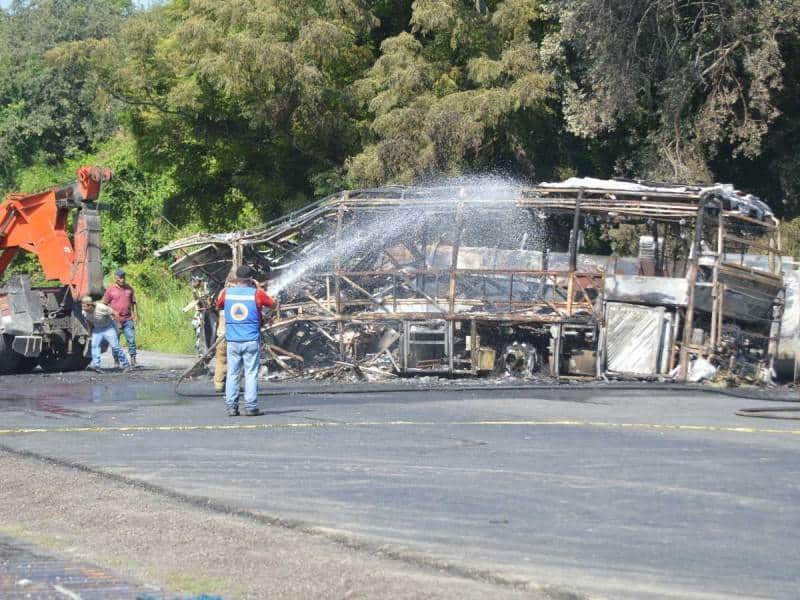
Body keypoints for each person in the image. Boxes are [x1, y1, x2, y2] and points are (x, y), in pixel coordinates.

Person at [215, 265, 275, 416]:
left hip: (233, 340)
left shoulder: (227, 293)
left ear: (236, 278)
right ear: (250, 279)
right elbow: (273, 304)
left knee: (233, 374)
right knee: (250, 373)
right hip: (251, 340)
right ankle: (251, 407)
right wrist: (258, 287)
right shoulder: (257, 294)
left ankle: (231, 407)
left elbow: (218, 305)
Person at [81, 296, 130, 373]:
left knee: (115, 347)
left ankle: (126, 365)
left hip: (108, 328)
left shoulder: (102, 308)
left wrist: (119, 326)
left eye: (84, 306)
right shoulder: (84, 312)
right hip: (97, 329)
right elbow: (89, 322)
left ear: (90, 305)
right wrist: (90, 333)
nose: (83, 308)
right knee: (94, 346)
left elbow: (115, 313)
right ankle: (97, 366)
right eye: (82, 306)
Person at [103, 268, 140, 367]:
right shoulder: (110, 290)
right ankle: (116, 361)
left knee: (131, 339)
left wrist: (136, 316)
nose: (122, 279)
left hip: (128, 319)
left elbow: (134, 303)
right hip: (115, 321)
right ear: (116, 278)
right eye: (120, 277)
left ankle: (133, 359)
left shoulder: (129, 289)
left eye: (123, 277)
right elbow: (104, 304)